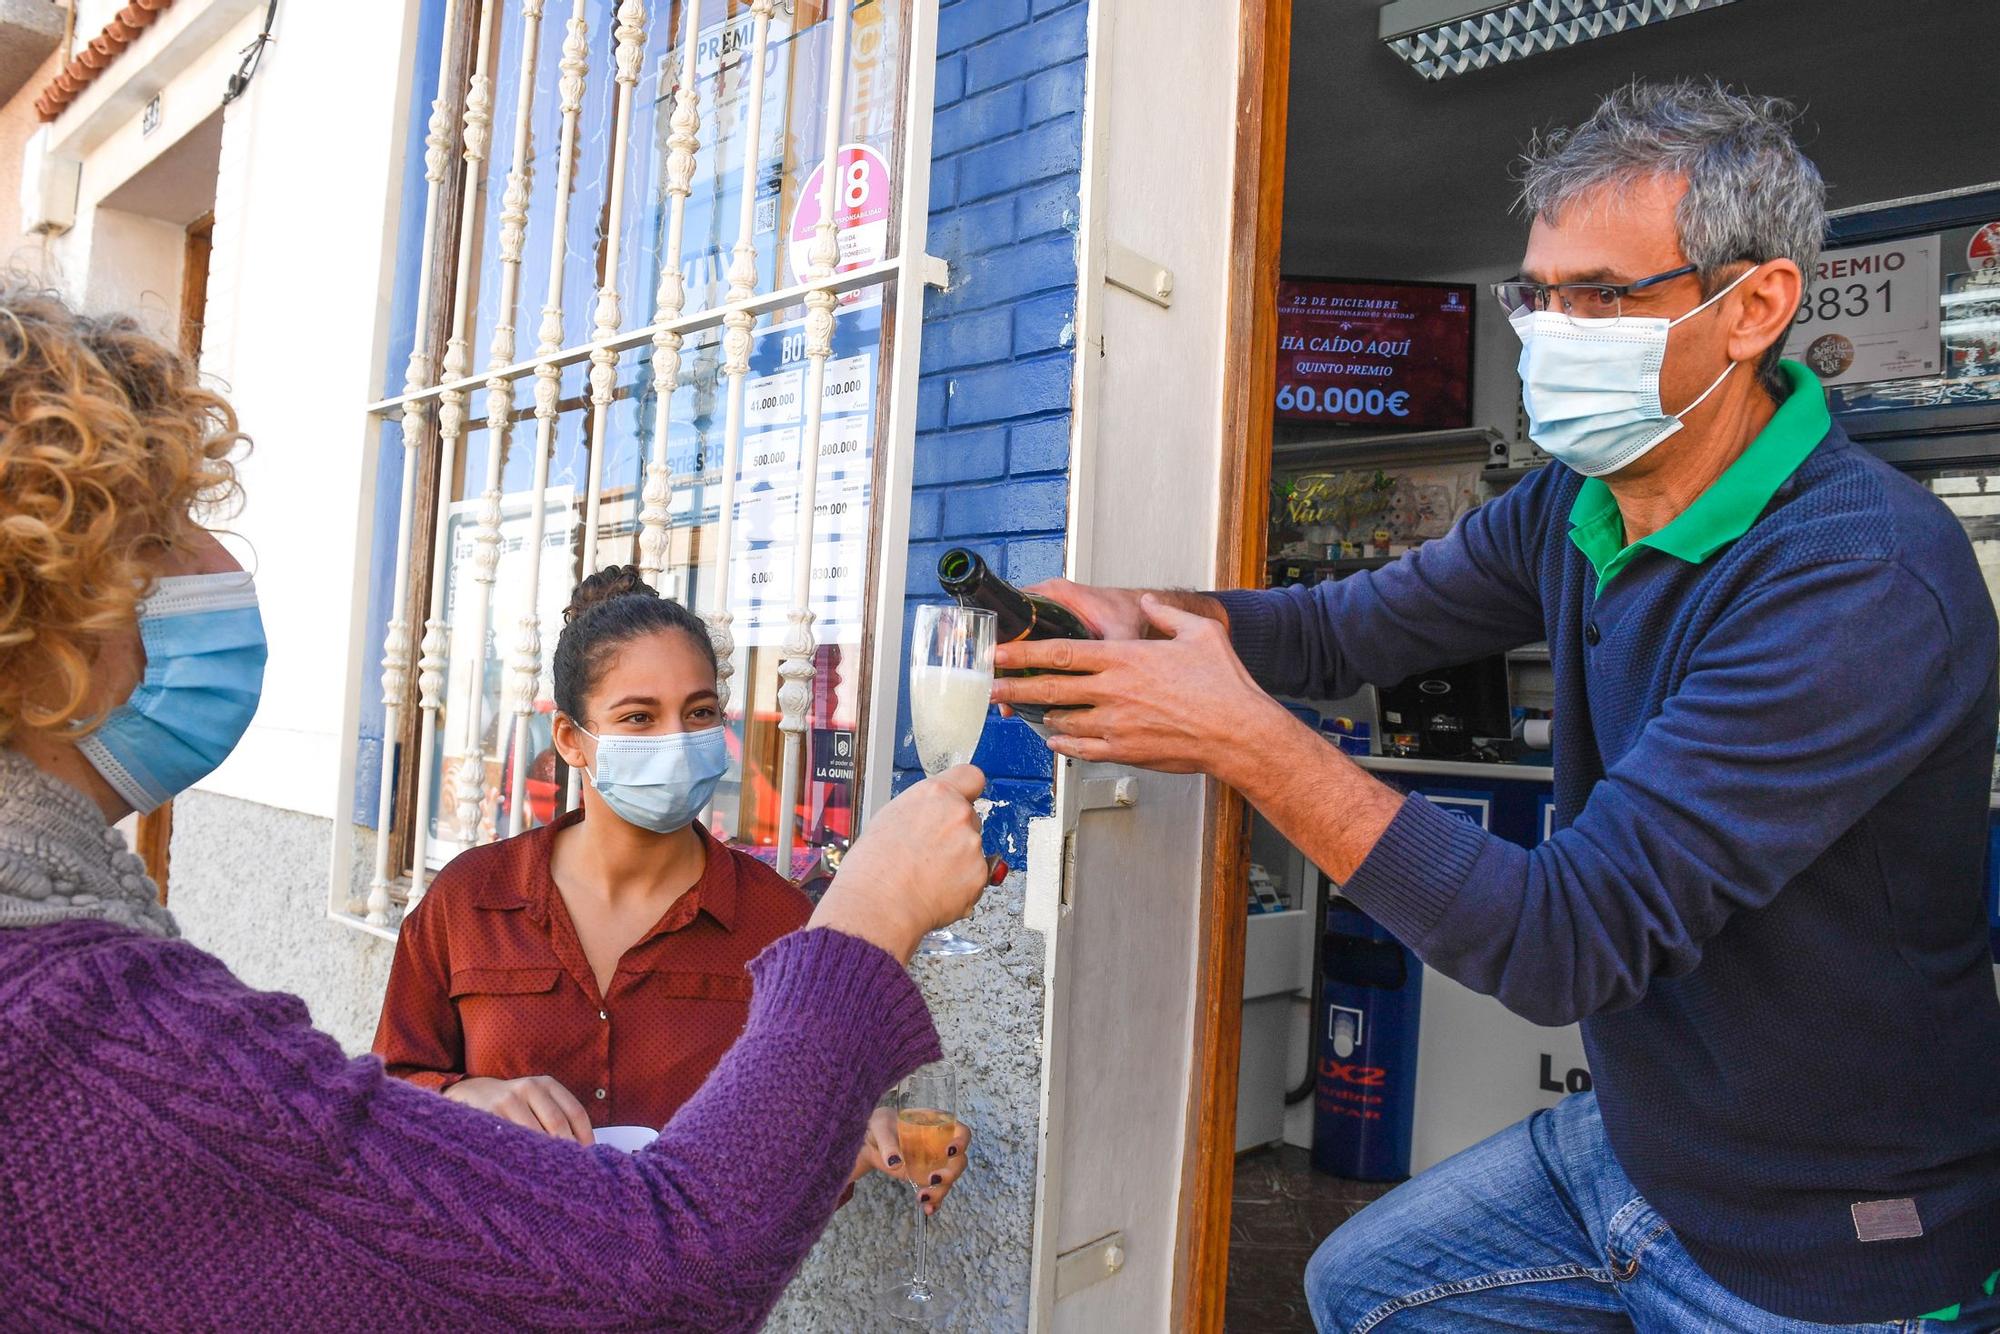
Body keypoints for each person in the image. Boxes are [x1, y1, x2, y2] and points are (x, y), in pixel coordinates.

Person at [992, 82, 2000, 1330]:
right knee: (1360, 1287)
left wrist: (1244, 739)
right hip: (1639, 1149)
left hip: (1826, 1233)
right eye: (1538, 293)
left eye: (1600, 296)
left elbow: (1561, 934)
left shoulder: (1860, 578)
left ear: (1754, 307)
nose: (1551, 331)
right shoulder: (1567, 505)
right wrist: (1144, 613)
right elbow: (1333, 630)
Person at [0, 284, 991, 1330]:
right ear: (58, 605)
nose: (217, 564)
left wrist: (843, 1113)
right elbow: (656, 1267)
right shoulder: (77, 1029)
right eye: (171, 526)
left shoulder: (771, 913)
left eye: (698, 710)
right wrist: (871, 917)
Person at [374, 566, 970, 1213]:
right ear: (572, 740)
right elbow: (383, 1096)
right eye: (638, 717)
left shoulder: (781, 923)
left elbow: (785, 1144)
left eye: (699, 712)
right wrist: (463, 1096)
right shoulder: (468, 899)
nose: (677, 742)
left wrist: (854, 1142)